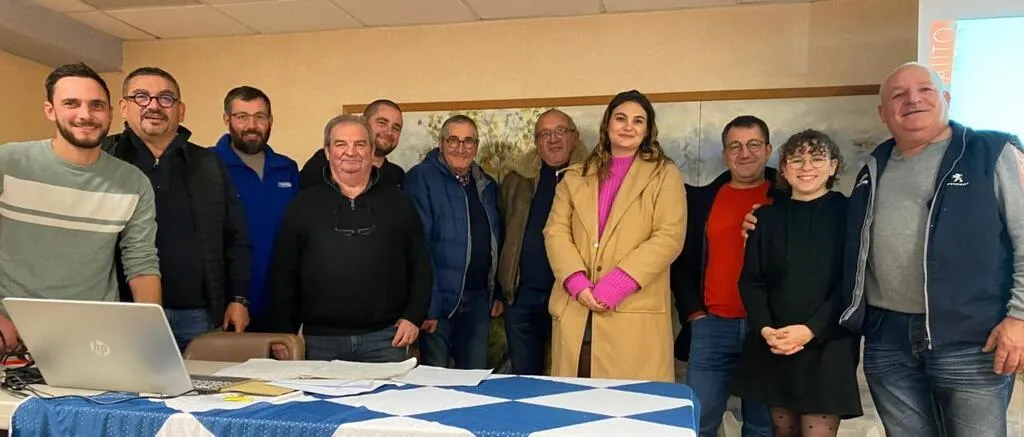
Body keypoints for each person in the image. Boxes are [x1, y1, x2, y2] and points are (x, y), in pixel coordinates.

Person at [744, 62, 1024, 437]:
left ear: (946, 98)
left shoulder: (990, 152)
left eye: (924, 90)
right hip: (887, 337)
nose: (912, 100)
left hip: (969, 339)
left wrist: (1020, 317)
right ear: (883, 112)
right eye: (898, 94)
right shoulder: (874, 167)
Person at [0, 63, 161, 351]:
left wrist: (151, 335)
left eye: (96, 105)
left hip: (93, 339)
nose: (85, 115)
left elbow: (141, 262)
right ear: (50, 110)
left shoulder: (133, 183)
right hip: (11, 339)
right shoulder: (8, 163)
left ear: (110, 112)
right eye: (71, 103)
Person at [102, 67, 251, 351]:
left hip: (199, 315)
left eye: (166, 98)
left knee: (204, 381)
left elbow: (235, 237)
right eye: (141, 97)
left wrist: (238, 299)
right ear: (123, 107)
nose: (154, 106)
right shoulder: (104, 160)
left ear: (180, 111)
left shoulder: (208, 164)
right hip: (124, 311)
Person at [543, 89, 686, 381]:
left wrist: (618, 284)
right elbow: (555, 232)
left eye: (638, 120)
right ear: (607, 124)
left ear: (647, 129)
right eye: (621, 118)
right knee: (573, 400)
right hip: (577, 309)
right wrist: (575, 281)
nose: (628, 126)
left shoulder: (664, 174)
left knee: (629, 402)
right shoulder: (575, 176)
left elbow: (669, 236)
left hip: (633, 312)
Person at [269, 115, 431, 362]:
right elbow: (283, 273)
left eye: (360, 144)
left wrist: (413, 317)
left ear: (372, 150)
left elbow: (420, 264)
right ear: (327, 152)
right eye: (341, 144)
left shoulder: (400, 202)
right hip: (321, 342)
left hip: (386, 340)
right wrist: (282, 331)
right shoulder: (302, 205)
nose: (351, 152)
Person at [732, 130, 861, 437]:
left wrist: (811, 329)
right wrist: (766, 330)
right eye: (797, 160)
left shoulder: (851, 214)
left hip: (829, 343)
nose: (806, 167)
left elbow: (853, 283)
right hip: (776, 343)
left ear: (832, 166)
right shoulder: (765, 218)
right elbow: (752, 282)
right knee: (782, 430)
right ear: (784, 168)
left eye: (817, 159)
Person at [671, 115, 779, 437]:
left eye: (753, 145)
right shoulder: (701, 201)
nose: (744, 153)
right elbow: (680, 260)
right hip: (712, 327)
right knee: (698, 424)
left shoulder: (786, 198)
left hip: (767, 329)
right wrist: (694, 313)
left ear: (768, 149)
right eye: (735, 146)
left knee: (761, 426)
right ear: (724, 154)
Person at [404, 115, 503, 369]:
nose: (461, 148)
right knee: (436, 380)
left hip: (478, 299)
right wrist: (427, 307)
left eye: (468, 141)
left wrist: (496, 292)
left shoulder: (486, 185)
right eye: (453, 140)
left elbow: (495, 241)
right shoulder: (421, 178)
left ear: (476, 146)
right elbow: (418, 245)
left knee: (474, 376)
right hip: (439, 302)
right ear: (441, 143)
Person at [498, 108, 589, 375]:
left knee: (572, 377)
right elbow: (501, 233)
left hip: (573, 297)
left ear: (575, 137)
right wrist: (501, 290)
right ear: (537, 143)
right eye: (545, 134)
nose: (553, 139)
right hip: (522, 297)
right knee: (525, 379)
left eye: (560, 131)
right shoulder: (517, 180)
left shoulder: (593, 178)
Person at [211, 86, 299, 332]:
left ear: (270, 120)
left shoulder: (287, 168)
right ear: (227, 119)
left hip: (280, 302)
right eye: (242, 117)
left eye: (260, 117)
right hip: (227, 304)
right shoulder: (207, 165)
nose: (252, 125)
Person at [300, 99, 405, 189]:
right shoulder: (322, 163)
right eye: (382, 123)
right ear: (364, 122)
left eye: (396, 128)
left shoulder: (397, 175)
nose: (389, 132)